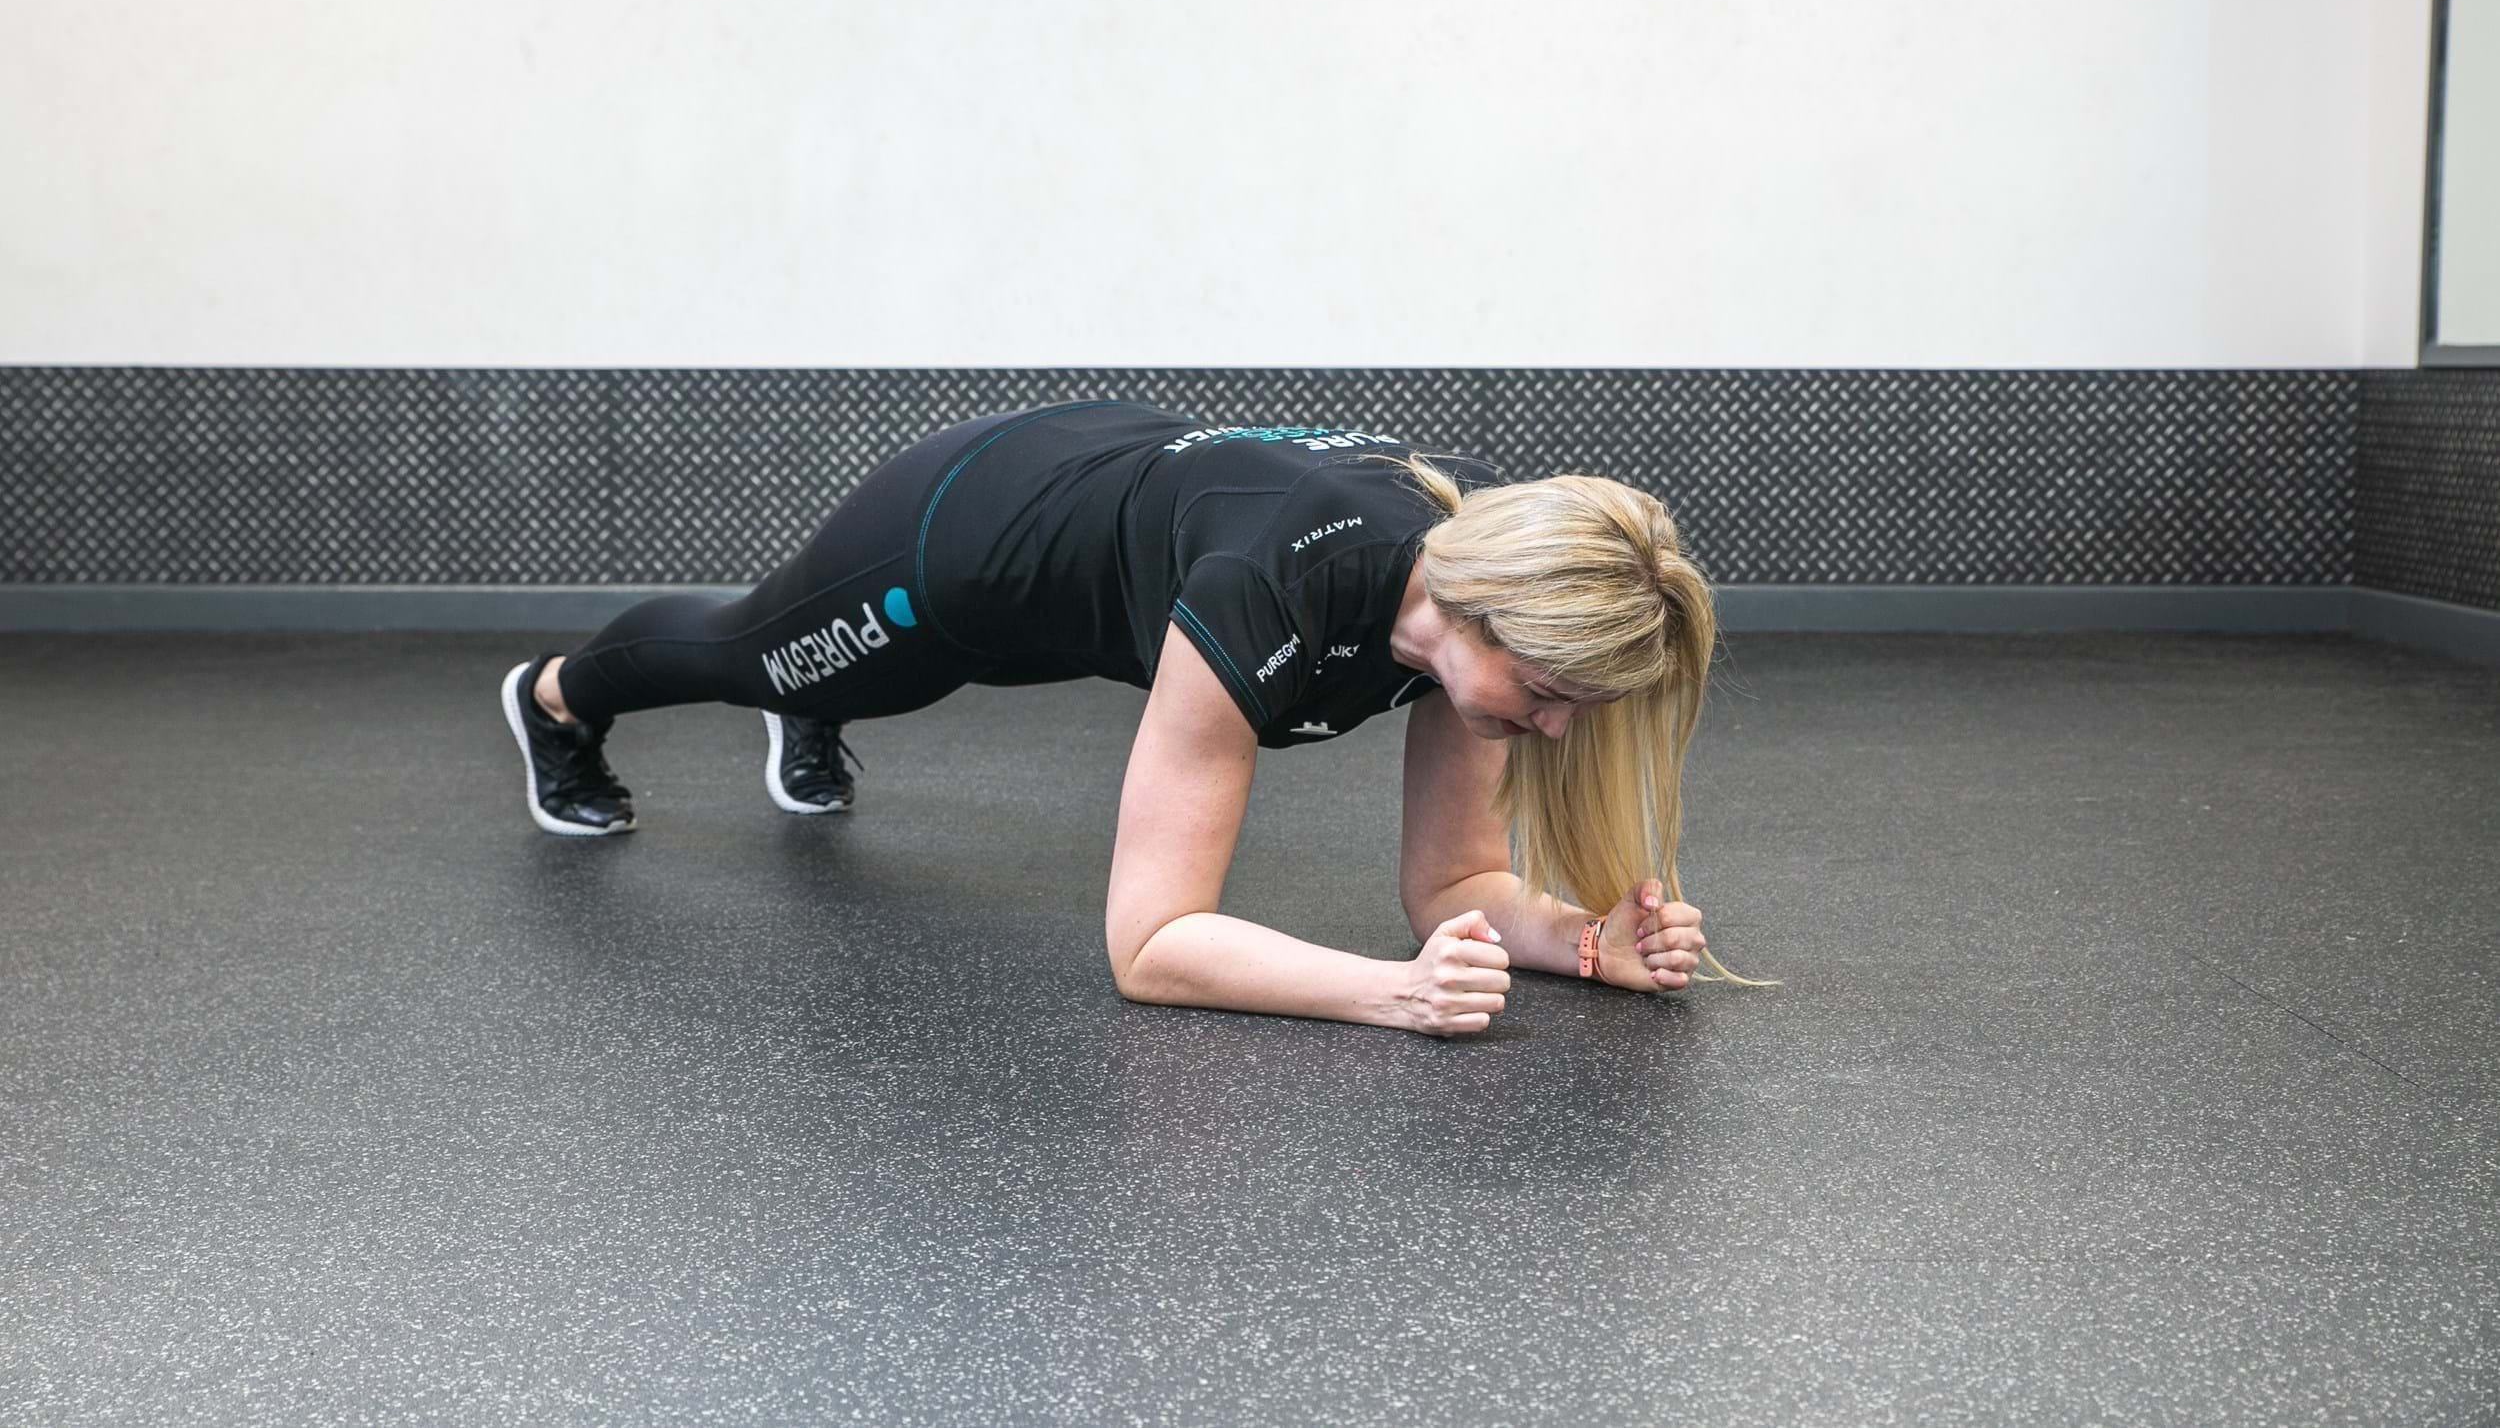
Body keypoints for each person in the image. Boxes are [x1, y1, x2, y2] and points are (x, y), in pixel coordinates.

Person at [497, 399, 1771, 1036]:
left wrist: (1579, 940)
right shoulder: (1268, 588)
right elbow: (1150, 941)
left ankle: (814, 700)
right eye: (1545, 698)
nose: (1553, 731)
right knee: (753, 652)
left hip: (1102, 536)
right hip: (966, 538)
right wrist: (1386, 993)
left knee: (822, 677)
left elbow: (1455, 882)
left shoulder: (1474, 609)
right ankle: (555, 696)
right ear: (1478, 615)